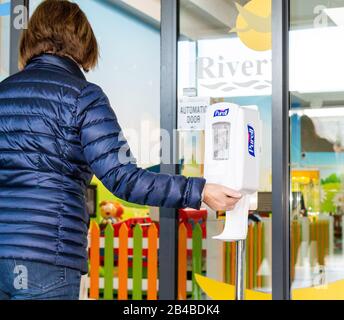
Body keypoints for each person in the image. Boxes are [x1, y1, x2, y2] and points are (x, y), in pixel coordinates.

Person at [0, 0, 241, 300]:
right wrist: (199, 190)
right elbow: (123, 178)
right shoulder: (83, 97)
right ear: (84, 42)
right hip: (49, 256)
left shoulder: (4, 93)